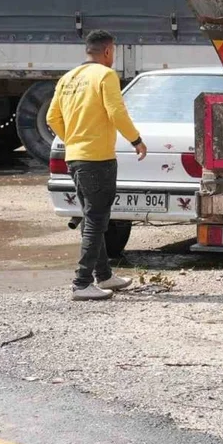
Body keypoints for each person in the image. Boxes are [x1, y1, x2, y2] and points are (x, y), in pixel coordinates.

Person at [46, 30, 148, 301]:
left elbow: (51, 117)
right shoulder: (105, 75)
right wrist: (136, 140)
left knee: (93, 215)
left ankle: (103, 275)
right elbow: (116, 112)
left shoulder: (68, 78)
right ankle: (81, 283)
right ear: (107, 51)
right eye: (113, 51)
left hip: (75, 157)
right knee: (96, 219)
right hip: (97, 159)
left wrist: (73, 140)